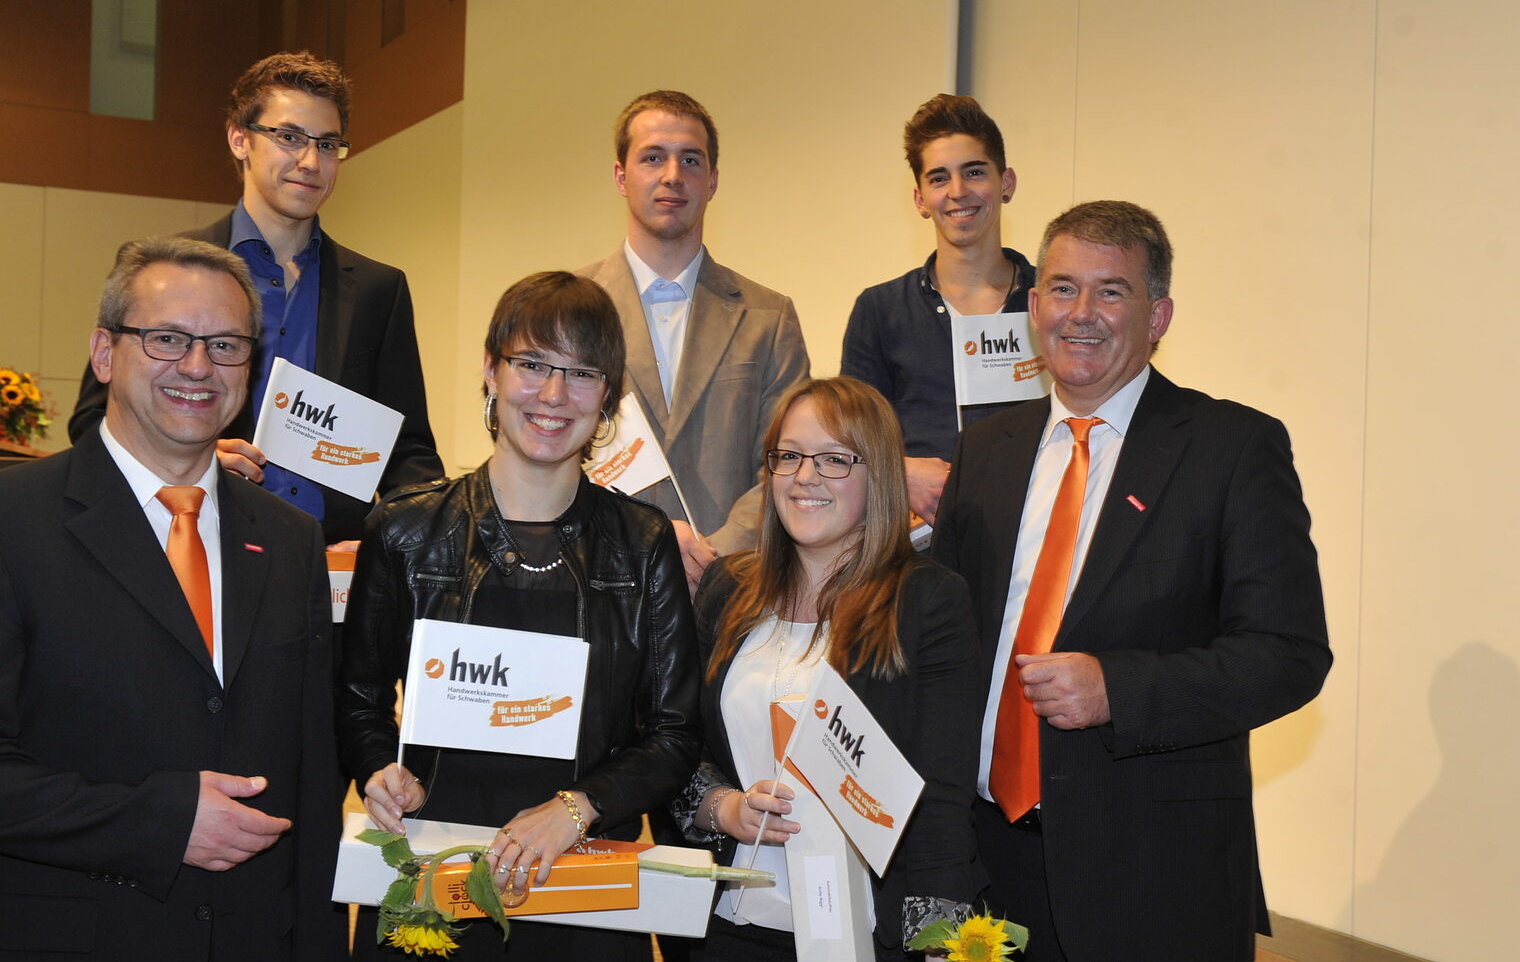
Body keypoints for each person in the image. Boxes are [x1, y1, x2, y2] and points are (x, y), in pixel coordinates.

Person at [931, 201, 1333, 961]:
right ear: (1032, 305)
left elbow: (1290, 654)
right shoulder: (985, 450)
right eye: (1061, 288)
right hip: (982, 865)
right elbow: (940, 645)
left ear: (1158, 315)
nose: (1081, 314)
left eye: (1111, 291)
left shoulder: (1233, 448)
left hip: (1153, 874)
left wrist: (1120, 689)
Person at [337, 271, 701, 959]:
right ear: (491, 370)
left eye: (582, 372)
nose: (554, 395)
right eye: (532, 364)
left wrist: (576, 809)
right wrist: (379, 769)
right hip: (435, 892)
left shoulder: (647, 543)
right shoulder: (404, 532)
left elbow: (675, 735)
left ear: (608, 397)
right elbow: (357, 701)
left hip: (585, 896)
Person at [0, 237, 339, 960]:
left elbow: (313, 782)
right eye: (166, 339)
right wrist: (156, 821)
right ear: (103, 352)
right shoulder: (12, 520)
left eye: (225, 345)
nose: (196, 366)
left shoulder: (291, 540)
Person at [68, 51, 442, 547]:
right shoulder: (159, 272)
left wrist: (393, 540)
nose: (310, 161)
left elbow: (407, 450)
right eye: (289, 137)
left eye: (327, 144)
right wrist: (192, 458)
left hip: (329, 565)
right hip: (195, 543)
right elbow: (94, 422)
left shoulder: (379, 289)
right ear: (239, 138)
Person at [673, 377, 983, 961]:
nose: (805, 476)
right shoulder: (726, 587)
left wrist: (942, 945)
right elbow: (678, 744)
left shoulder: (927, 600)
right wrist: (723, 808)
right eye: (789, 455)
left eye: (835, 459)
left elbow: (941, 796)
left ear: (880, 474)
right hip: (732, 924)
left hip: (870, 933)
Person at [579, 90, 810, 590]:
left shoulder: (769, 317)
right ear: (621, 176)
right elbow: (549, 454)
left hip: (732, 592)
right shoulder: (571, 310)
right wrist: (643, 543)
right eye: (652, 158)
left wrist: (715, 558)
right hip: (598, 586)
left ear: (713, 181)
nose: (672, 176)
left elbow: (790, 463)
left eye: (690, 160)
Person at [842, 94, 1035, 526]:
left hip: (1036, 536)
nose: (958, 192)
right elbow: (849, 443)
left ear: (1007, 183)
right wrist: (899, 472)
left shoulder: (1052, 301)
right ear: (919, 198)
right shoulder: (880, 310)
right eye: (939, 178)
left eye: (974, 172)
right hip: (918, 553)